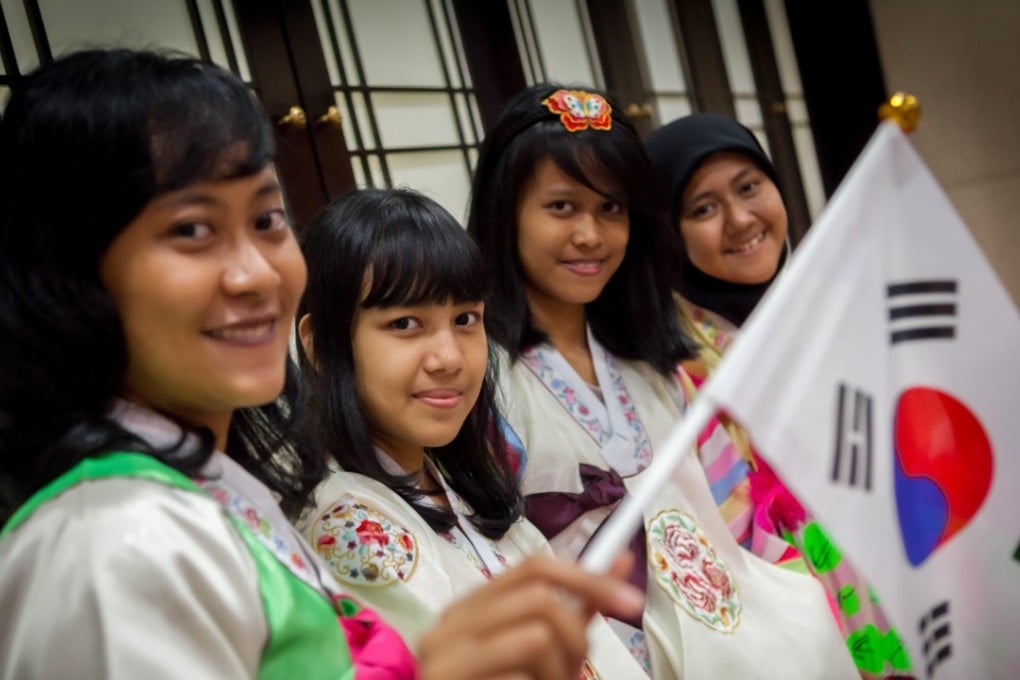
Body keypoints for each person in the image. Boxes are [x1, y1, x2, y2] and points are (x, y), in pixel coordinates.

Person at [0, 49, 643, 679]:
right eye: (192, 229)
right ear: (67, 273)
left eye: (266, 219)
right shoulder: (116, 543)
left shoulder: (211, 492)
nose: (257, 273)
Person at [466, 83, 859, 679]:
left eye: (611, 208)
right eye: (562, 207)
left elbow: (742, 523)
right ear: (506, 213)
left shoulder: (657, 364)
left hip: (738, 644)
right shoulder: (483, 382)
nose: (591, 235)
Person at [294, 186, 647, 677]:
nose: (450, 358)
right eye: (405, 323)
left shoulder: (459, 491)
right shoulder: (346, 523)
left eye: (465, 319)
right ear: (320, 345)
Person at [644, 111, 912, 677]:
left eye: (749, 188)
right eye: (704, 209)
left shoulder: (835, 303)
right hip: (803, 627)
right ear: (669, 234)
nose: (741, 220)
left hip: (910, 575)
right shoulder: (672, 373)